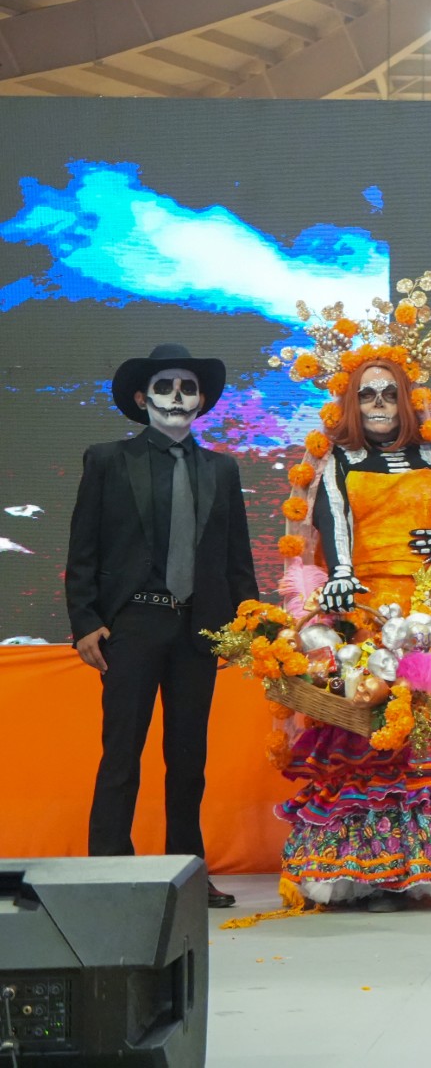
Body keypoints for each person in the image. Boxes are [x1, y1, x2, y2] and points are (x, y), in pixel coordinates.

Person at [272, 277, 431, 913]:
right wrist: (341, 577)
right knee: (360, 716)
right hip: (361, 600)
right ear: (351, 403)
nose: (380, 404)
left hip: (427, 604)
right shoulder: (339, 461)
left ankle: (411, 869)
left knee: (417, 721)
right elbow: (332, 523)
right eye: (368, 395)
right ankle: (355, 871)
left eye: (390, 394)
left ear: (409, 401)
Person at [66, 343, 259, 908]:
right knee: (121, 752)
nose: (177, 397)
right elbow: (83, 549)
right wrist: (85, 621)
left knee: (189, 758)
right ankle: (108, 873)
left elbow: (237, 558)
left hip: (199, 628)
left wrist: (247, 625)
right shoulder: (107, 460)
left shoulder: (222, 468)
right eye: (165, 387)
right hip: (132, 625)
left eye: (188, 388)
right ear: (141, 397)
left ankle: (187, 872)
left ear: (201, 402)